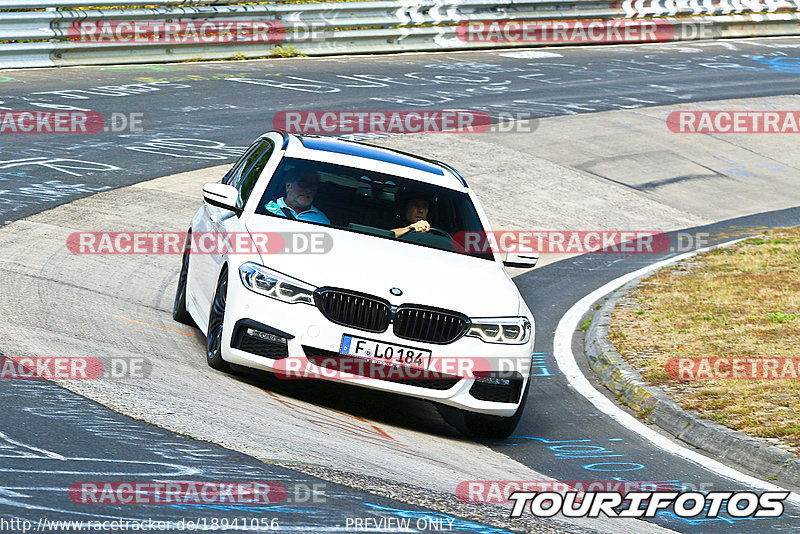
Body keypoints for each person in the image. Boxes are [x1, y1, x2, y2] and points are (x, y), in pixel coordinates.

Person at [264, 170, 330, 224]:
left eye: (313, 186)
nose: (309, 190)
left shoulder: (322, 220)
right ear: (288, 186)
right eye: (303, 184)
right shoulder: (266, 208)